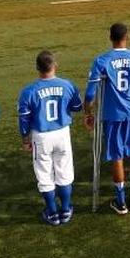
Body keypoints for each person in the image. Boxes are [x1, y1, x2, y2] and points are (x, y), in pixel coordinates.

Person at [85, 23, 130, 215]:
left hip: (112, 116)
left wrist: (87, 112)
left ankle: (121, 201)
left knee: (117, 156)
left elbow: (90, 94)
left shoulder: (101, 60)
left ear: (110, 37)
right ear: (127, 37)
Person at [18, 51, 82, 224]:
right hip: (62, 133)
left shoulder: (28, 91)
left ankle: (52, 213)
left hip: (41, 136)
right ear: (55, 65)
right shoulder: (67, 85)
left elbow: (24, 118)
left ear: (37, 68)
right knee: (64, 171)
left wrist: (25, 139)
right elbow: (77, 106)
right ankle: (66, 209)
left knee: (44, 174)